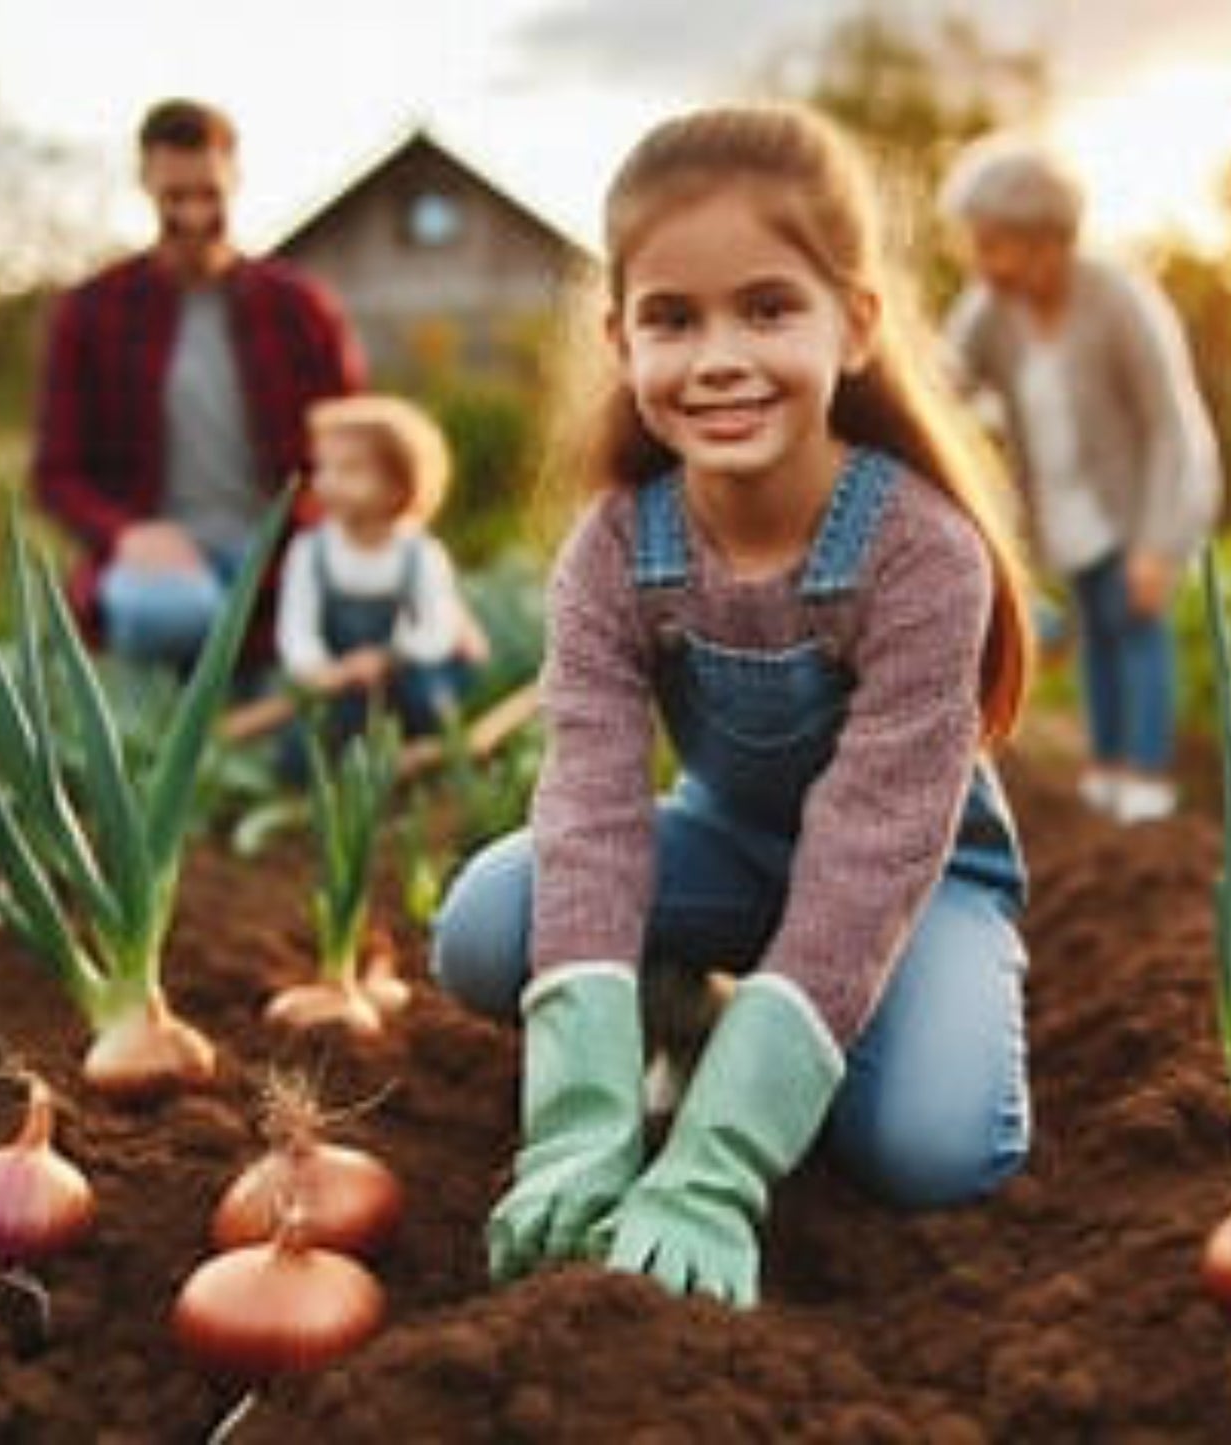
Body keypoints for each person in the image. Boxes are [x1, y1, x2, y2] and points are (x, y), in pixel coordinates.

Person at [433, 103, 1036, 1308]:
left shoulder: (922, 555)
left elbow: (869, 857)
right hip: (729, 848)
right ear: (619, 338)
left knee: (925, 1147)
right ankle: (688, 1023)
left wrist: (717, 1158)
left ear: (854, 324)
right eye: (671, 318)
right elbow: (594, 816)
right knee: (490, 921)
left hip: (917, 884)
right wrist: (579, 1118)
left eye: (767, 308)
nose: (717, 356)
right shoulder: (613, 551)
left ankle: (832, 1030)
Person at [939, 136, 1221, 825]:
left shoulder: (1118, 298)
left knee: (1136, 625)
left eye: (994, 244)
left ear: (1044, 241)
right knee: (1096, 628)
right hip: (1063, 510)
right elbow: (940, 386)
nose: (982, 262)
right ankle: (1105, 771)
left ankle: (1145, 782)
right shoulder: (988, 310)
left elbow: (1171, 427)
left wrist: (1159, 542)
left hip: (1133, 505)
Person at [32, 97, 365, 672]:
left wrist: (313, 540)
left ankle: (246, 687)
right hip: (164, 568)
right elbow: (56, 473)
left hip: (281, 558)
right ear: (144, 183)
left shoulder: (300, 308)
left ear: (235, 178)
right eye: (174, 197)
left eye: (208, 194)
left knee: (366, 608)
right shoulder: (89, 313)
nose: (191, 214)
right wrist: (128, 535)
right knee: (168, 615)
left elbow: (358, 445)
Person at [275, 393, 488, 753]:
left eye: (349, 470)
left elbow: (437, 627)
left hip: (401, 670)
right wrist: (323, 671)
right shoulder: (309, 552)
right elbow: (296, 629)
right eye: (323, 468)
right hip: (338, 676)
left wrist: (390, 657)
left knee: (428, 704)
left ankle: (421, 746)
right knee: (301, 750)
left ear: (398, 486)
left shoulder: (420, 553)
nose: (329, 481)